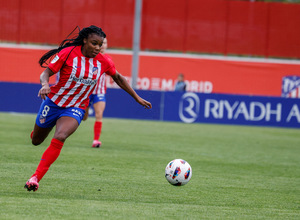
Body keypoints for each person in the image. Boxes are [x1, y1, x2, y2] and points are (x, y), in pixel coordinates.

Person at [24, 25, 152, 192]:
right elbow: (46, 73)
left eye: (100, 44)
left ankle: (35, 178)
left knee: (61, 135)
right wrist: (45, 84)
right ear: (85, 41)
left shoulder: (103, 61)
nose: (97, 48)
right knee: (36, 141)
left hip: (76, 107)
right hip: (53, 102)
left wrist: (137, 97)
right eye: (94, 43)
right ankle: (37, 132)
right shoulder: (68, 53)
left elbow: (119, 78)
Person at [83, 37, 108, 148]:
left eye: (104, 43)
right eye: (101, 43)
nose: (102, 45)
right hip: (86, 92)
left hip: (100, 92)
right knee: (84, 117)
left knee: (99, 114)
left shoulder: (107, 59)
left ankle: (96, 140)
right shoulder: (89, 57)